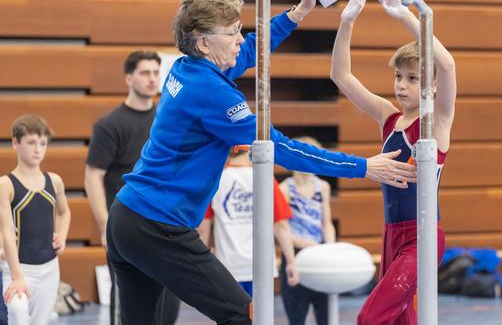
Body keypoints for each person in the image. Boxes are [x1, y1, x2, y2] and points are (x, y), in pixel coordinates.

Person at [106, 0, 416, 325]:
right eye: (233, 33)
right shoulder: (214, 94)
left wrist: (299, 11)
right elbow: (280, 148)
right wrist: (363, 167)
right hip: (158, 226)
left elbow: (251, 49)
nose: (241, 39)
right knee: (243, 314)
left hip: (126, 220)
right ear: (205, 42)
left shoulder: (185, 68)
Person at [330, 0, 457, 324]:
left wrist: (407, 15)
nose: (402, 85)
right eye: (398, 77)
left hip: (423, 236)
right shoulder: (388, 117)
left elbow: (446, 64)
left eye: (413, 79)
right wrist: (347, 21)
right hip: (390, 235)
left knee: (370, 318)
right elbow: (340, 76)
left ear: (431, 87)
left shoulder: (435, 122)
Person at [84, 51, 181, 325]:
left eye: (155, 73)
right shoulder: (109, 124)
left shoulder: (166, 119)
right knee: (131, 304)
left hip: (165, 225)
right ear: (129, 78)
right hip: (126, 226)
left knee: (169, 302)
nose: (152, 79)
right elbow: (93, 176)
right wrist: (105, 224)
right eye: (144, 73)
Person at [197, 145, 298, 297]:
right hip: (261, 265)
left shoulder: (216, 180)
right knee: (260, 318)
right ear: (250, 150)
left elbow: (203, 228)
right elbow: (281, 226)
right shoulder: (265, 179)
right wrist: (291, 262)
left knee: (233, 317)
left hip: (229, 266)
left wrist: (201, 266)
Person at [0, 115, 71, 325]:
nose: (38, 149)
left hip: (50, 268)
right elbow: (6, 231)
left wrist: (62, 237)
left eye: (42, 143)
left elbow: (64, 212)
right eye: (31, 143)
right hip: (19, 268)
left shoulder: (55, 181)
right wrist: (17, 276)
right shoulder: (6, 184)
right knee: (18, 313)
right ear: (15, 143)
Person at [279, 136, 334, 325]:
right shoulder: (285, 189)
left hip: (319, 255)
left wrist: (330, 247)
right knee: (296, 317)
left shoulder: (323, 187)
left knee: (326, 316)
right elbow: (281, 229)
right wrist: (304, 244)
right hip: (296, 255)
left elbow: (326, 222)